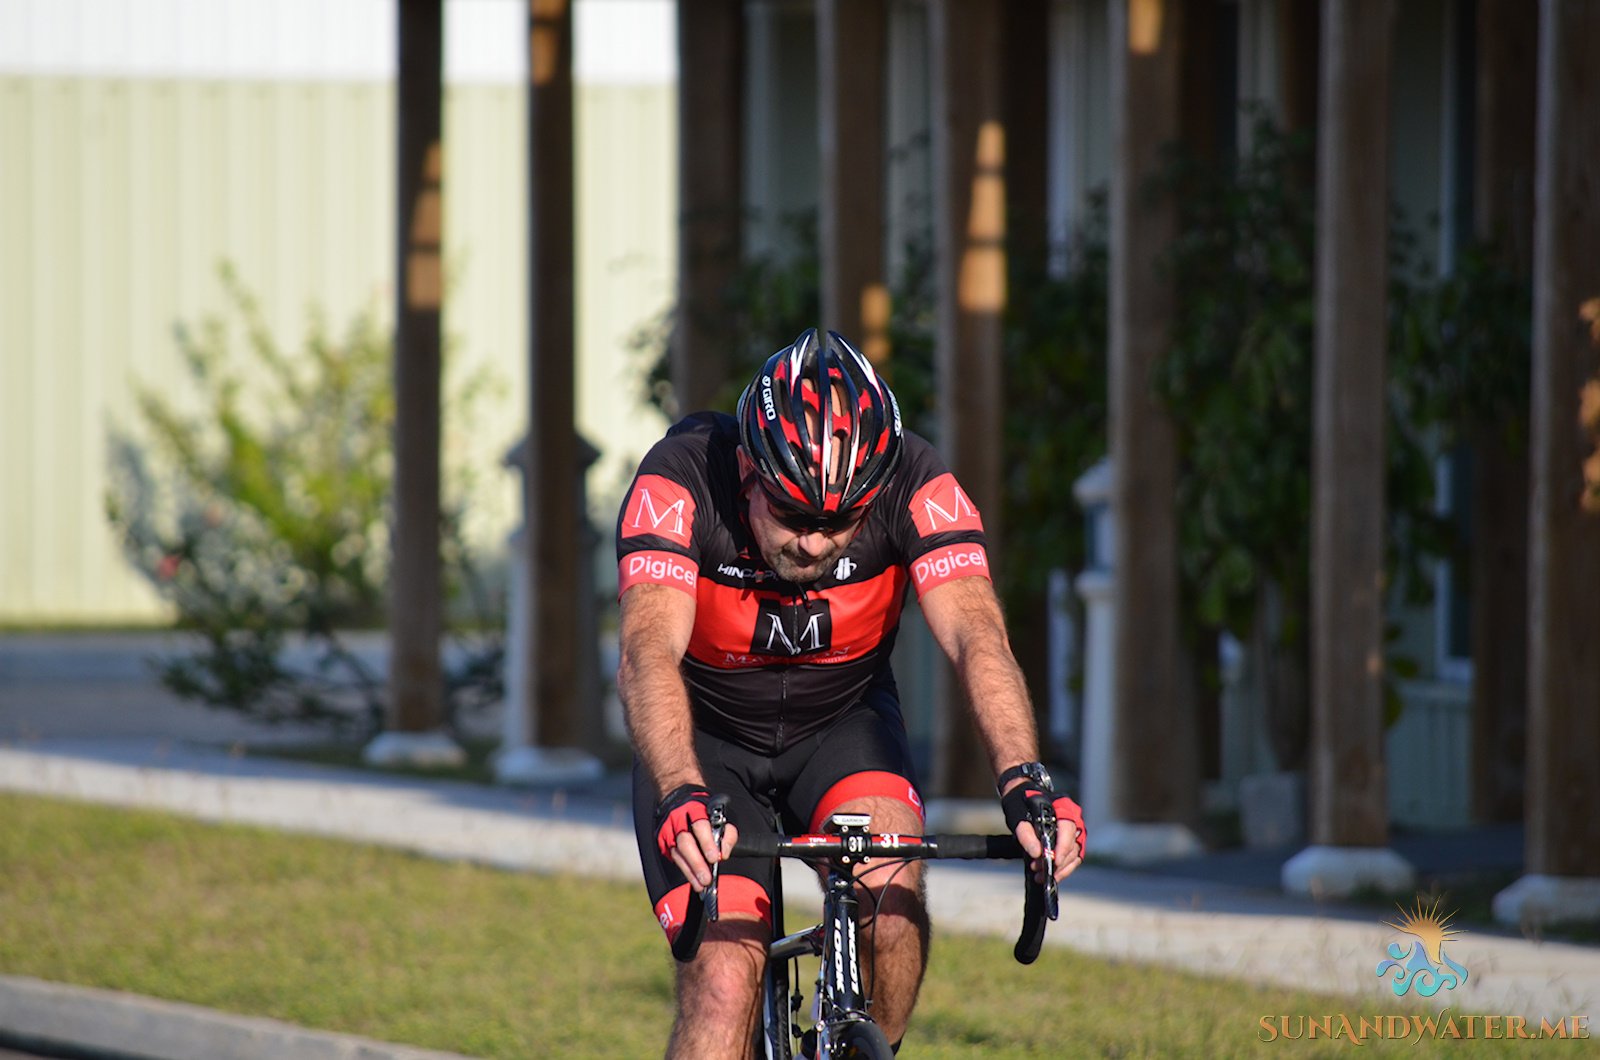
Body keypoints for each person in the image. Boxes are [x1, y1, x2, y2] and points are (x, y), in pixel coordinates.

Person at [616, 328, 1085, 1058]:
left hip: (841, 725)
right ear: (747, 469)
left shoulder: (918, 482)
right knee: (724, 981)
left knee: (892, 907)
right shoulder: (679, 480)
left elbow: (976, 637)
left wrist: (1025, 780)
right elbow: (647, 651)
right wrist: (679, 789)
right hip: (705, 742)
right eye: (794, 517)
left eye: (840, 523)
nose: (814, 543)